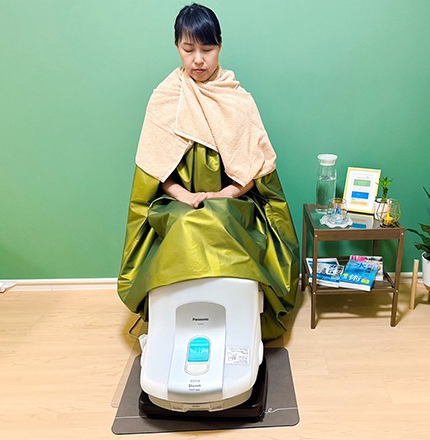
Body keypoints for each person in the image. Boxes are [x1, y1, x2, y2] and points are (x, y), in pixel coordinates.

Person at [117, 3, 299, 341]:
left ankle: (235, 319)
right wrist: (183, 195)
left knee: (217, 219)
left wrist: (221, 195)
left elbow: (253, 171)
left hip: (235, 203)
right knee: (186, 223)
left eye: (207, 49)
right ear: (177, 47)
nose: (198, 59)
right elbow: (156, 167)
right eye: (188, 50)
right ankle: (179, 320)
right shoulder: (165, 97)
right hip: (176, 203)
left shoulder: (238, 99)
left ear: (220, 47)